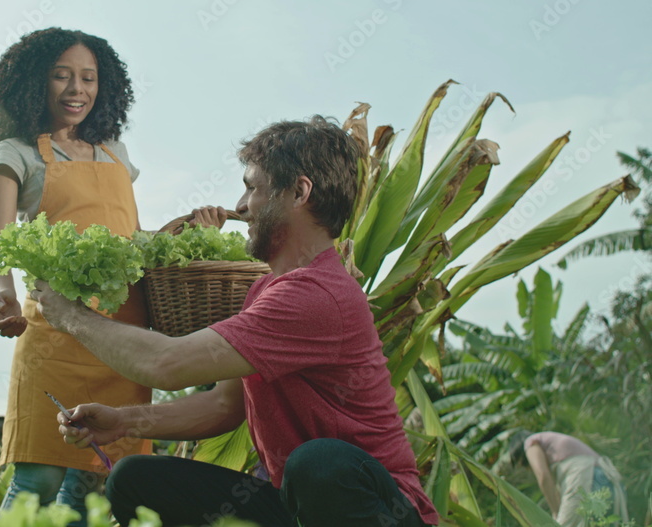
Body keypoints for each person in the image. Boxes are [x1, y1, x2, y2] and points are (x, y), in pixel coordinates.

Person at [31, 116, 440, 526]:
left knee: (318, 464)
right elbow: (224, 406)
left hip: (382, 511)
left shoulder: (319, 294)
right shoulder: (265, 290)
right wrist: (123, 421)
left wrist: (72, 316)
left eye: (252, 188)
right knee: (135, 480)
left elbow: (165, 364)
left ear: (299, 192)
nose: (241, 206)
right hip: (298, 508)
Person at [0, 28, 224, 523]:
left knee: (93, 485)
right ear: (35, 82)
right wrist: (3, 293)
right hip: (54, 333)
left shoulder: (115, 152)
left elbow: (128, 238)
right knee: (38, 480)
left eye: (88, 78)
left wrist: (184, 234)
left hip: (123, 337)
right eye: (62, 76)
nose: (77, 89)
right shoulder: (16, 153)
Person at [510, 431, 628, 526]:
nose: (528, 469)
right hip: (605, 480)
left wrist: (556, 513)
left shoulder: (530, 443)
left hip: (585, 476)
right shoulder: (552, 445)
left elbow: (543, 477)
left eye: (524, 465)